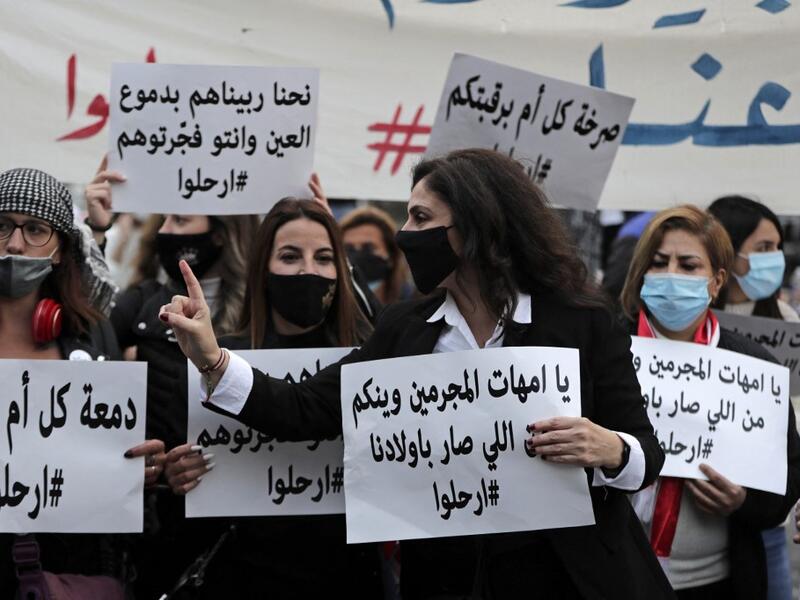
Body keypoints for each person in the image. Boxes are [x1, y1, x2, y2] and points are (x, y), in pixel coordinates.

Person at [160, 148, 673, 599]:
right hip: (449, 580)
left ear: (474, 228)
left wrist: (610, 449)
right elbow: (307, 410)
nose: (405, 234)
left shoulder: (581, 320)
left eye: (421, 217)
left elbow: (646, 454)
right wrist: (212, 359)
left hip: (568, 577)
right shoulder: (405, 330)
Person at [163, 198, 380, 598]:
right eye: (290, 255)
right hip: (243, 576)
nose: (308, 270)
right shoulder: (213, 355)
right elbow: (181, 484)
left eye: (325, 257)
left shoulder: (368, 356)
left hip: (348, 577)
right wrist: (173, 474)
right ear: (263, 267)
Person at [85, 164, 259, 598]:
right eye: (163, 219)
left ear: (221, 232)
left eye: (181, 220)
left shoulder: (264, 305)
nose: (165, 231)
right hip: (164, 519)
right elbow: (83, 340)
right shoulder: (145, 302)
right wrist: (95, 232)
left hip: (251, 518)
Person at [619, 205, 800, 599]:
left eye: (688, 265)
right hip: (614, 576)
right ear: (642, 273)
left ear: (716, 281)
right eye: (658, 263)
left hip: (714, 583)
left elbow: (787, 479)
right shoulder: (606, 350)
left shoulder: (753, 366)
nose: (671, 276)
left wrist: (744, 501)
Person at [0, 167, 143, 598]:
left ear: (61, 249)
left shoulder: (92, 336)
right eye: (2, 225)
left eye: (35, 229)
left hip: (68, 567)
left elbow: (111, 448)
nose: (14, 242)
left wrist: (141, 463)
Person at [708, 195, 798, 321]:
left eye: (778, 247)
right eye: (764, 248)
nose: (776, 257)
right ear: (728, 251)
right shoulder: (691, 317)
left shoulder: (786, 318)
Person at [340, 206, 413, 305]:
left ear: (391, 256)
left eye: (368, 248)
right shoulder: (332, 308)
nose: (357, 255)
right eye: (349, 249)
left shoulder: (415, 304)